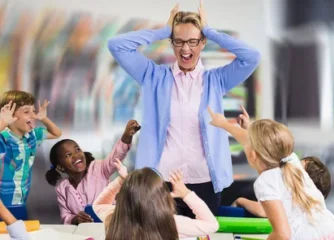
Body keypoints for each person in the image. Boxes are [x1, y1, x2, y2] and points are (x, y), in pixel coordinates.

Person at [107, 1, 261, 217]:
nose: (185, 49)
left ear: (202, 42)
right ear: (172, 42)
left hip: (205, 183)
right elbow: (116, 45)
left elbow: (252, 57)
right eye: (178, 41)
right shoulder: (153, 76)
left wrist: (210, 31)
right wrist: (161, 31)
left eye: (192, 41)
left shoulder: (216, 80)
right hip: (161, 183)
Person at [207, 107, 334, 239]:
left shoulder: (265, 182)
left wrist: (226, 125)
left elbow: (282, 235)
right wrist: (224, 124)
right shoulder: (292, 161)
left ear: (252, 155)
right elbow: (259, 144)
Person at [92, 160, 219, 240]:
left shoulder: (116, 218)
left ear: (125, 196)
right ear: (162, 197)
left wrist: (121, 181)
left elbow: (99, 204)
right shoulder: (171, 224)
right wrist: (186, 193)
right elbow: (212, 224)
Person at [45, 120, 140, 224]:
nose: (76, 155)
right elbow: (65, 217)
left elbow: (116, 156)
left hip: (110, 228)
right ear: (61, 167)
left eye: (77, 150)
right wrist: (75, 219)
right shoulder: (62, 188)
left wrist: (127, 136)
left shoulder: (98, 168)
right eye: (68, 155)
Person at [0, 90, 62, 219]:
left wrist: (44, 119)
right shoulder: (3, 138)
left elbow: (57, 133)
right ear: (10, 114)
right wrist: (3, 122)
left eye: (33, 111)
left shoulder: (32, 136)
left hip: (20, 198)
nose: (33, 116)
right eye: (26, 111)